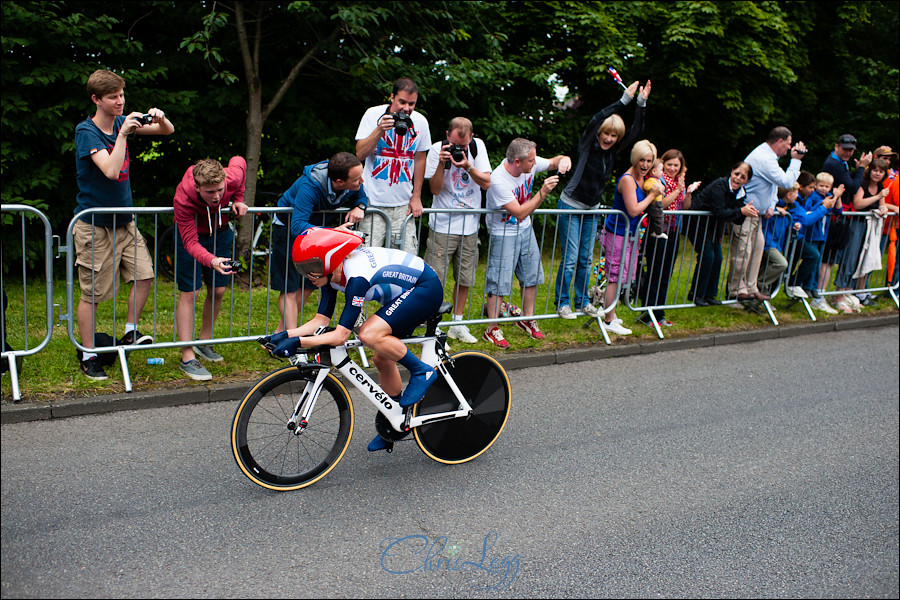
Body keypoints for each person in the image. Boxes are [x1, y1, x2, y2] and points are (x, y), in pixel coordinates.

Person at [260, 227, 443, 453]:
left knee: (368, 334)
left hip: (425, 289)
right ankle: (395, 423)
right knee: (382, 358)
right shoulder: (330, 276)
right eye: (303, 268)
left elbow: (340, 335)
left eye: (311, 268)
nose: (308, 275)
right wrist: (286, 335)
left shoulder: (355, 277)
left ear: (329, 261)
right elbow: (320, 320)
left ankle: (421, 371)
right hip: (404, 294)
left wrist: (298, 343)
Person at [73, 69, 174, 380]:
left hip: (125, 222)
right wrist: (122, 134)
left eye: (121, 95)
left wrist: (159, 117)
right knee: (93, 294)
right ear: (96, 100)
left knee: (145, 275)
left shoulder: (121, 121)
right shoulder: (87, 132)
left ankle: (130, 332)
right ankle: (89, 354)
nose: (120, 101)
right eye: (113, 97)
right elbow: (112, 171)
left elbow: (166, 131)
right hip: (95, 225)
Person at [554, 80, 650, 320]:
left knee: (586, 259)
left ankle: (582, 301)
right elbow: (596, 119)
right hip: (570, 204)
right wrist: (623, 101)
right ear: (599, 133)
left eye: (614, 135)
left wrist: (641, 103)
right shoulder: (588, 145)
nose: (609, 138)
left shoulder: (613, 152)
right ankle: (562, 303)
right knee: (570, 259)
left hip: (591, 208)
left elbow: (637, 130)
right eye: (607, 133)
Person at [481, 138, 571, 348]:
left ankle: (527, 318)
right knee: (500, 280)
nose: (534, 163)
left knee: (531, 274)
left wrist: (563, 160)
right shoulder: (498, 180)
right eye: (530, 161)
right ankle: (491, 327)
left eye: (533, 159)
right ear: (516, 161)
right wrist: (543, 192)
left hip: (524, 230)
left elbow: (553, 161)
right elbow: (520, 212)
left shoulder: (528, 162)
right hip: (503, 231)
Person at [269, 152, 368, 332]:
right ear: (339, 182)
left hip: (316, 233)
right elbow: (297, 226)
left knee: (309, 285)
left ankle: (281, 334)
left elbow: (361, 196)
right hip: (288, 230)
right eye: (357, 179)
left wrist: (360, 206)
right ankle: (292, 341)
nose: (361, 181)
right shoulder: (310, 186)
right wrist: (334, 232)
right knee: (290, 288)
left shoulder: (351, 181)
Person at [172, 157, 248, 380]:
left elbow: (240, 162)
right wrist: (212, 260)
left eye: (220, 190)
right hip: (192, 237)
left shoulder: (230, 177)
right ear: (197, 187)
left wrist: (238, 198)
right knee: (190, 293)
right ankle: (187, 356)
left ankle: (204, 342)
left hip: (220, 231)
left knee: (218, 291)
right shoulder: (183, 198)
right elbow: (190, 244)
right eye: (209, 192)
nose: (216, 196)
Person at [423, 117, 491, 344]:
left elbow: (486, 183)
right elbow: (434, 189)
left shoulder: (477, 147)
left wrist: (468, 165)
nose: (458, 150)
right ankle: (435, 323)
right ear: (447, 135)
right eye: (454, 145)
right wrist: (443, 163)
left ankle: (458, 323)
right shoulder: (435, 150)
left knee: (465, 278)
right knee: (435, 278)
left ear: (471, 138)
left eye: (462, 146)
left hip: (470, 226)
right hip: (442, 224)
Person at [729, 126, 806, 302]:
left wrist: (771, 205)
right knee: (743, 253)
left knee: (756, 251)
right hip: (745, 213)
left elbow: (770, 185)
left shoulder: (769, 157)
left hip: (757, 215)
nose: (789, 148)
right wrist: (796, 161)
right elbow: (785, 181)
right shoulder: (763, 158)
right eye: (788, 144)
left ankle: (750, 287)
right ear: (779, 141)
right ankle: (736, 291)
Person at [355, 78, 432, 253]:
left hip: (403, 205)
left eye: (411, 104)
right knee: (366, 257)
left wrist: (417, 195)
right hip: (373, 202)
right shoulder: (373, 115)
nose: (406, 108)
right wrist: (379, 130)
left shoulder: (420, 121)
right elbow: (360, 154)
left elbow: (420, 158)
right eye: (402, 102)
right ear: (392, 97)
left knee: (405, 261)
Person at [600, 139, 663, 335]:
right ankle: (609, 319)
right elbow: (634, 210)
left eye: (649, 161)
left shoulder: (644, 179)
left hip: (629, 234)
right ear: (635, 159)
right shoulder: (628, 180)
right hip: (617, 232)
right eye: (642, 160)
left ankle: (611, 313)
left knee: (623, 276)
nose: (645, 165)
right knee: (614, 275)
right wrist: (652, 195)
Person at [637, 149, 699, 328]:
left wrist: (687, 192)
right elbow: (661, 203)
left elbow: (684, 207)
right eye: (669, 164)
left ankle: (659, 314)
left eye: (676, 165)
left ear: (681, 167)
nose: (672, 168)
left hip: (673, 230)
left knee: (666, 273)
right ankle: (647, 314)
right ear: (663, 164)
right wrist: (678, 189)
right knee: (655, 272)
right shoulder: (657, 180)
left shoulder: (679, 181)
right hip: (657, 230)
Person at [686, 162, 756, 306]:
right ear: (731, 172)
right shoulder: (719, 185)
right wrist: (740, 211)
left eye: (743, 177)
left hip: (713, 225)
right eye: (736, 174)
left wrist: (745, 212)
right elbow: (720, 211)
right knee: (707, 256)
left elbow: (737, 220)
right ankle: (696, 294)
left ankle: (709, 294)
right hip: (698, 221)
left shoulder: (741, 193)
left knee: (718, 257)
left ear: (747, 181)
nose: (738, 179)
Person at [837, 158, 890, 307]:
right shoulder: (863, 184)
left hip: (870, 227)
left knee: (862, 259)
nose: (877, 174)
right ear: (870, 171)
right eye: (875, 170)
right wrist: (878, 197)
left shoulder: (880, 187)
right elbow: (858, 203)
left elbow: (882, 205)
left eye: (881, 171)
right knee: (850, 257)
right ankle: (838, 294)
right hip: (856, 224)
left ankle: (849, 291)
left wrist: (883, 208)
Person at [778, 179, 836, 301]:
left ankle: (792, 284)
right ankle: (788, 285)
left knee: (795, 261)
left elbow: (803, 218)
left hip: (796, 237)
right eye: (810, 187)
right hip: (787, 239)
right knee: (784, 265)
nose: (812, 190)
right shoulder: (795, 201)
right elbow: (807, 219)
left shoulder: (797, 202)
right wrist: (823, 207)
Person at [806, 172, 844, 314]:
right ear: (815, 185)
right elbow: (811, 209)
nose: (823, 188)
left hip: (823, 236)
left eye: (826, 186)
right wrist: (827, 201)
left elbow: (838, 210)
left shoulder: (828, 197)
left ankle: (814, 288)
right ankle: (809, 286)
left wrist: (837, 196)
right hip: (812, 235)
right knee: (814, 260)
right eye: (821, 185)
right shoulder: (813, 197)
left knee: (818, 260)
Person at [642, 159, 667, 240]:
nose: (662, 172)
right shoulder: (650, 180)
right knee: (659, 217)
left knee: (656, 218)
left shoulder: (656, 180)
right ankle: (659, 232)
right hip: (654, 203)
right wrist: (655, 187)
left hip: (658, 201)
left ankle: (654, 231)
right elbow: (646, 186)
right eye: (661, 170)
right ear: (653, 171)